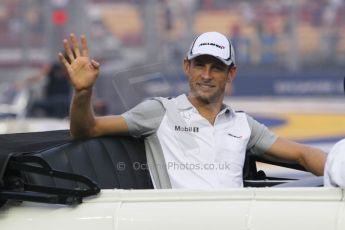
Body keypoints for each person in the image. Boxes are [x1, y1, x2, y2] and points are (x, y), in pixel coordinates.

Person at [59, 32, 326, 189]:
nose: (206, 75)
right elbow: (86, 129)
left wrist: (339, 168)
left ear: (230, 73)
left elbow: (303, 154)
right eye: (200, 65)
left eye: (217, 67)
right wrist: (83, 93)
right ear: (187, 67)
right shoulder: (159, 111)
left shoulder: (243, 124)